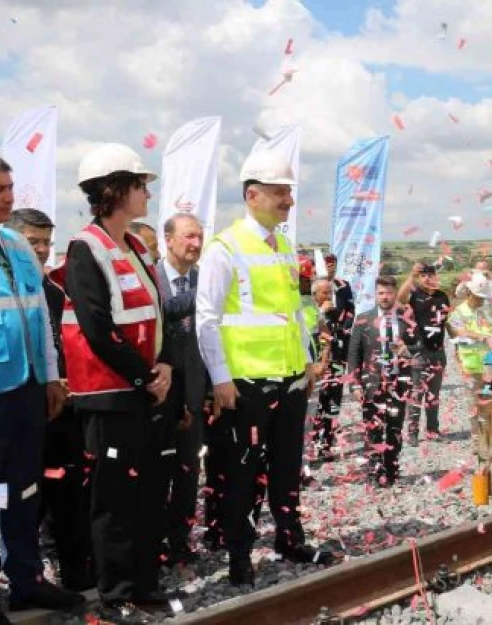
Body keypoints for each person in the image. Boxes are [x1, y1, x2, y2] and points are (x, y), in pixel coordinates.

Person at [195, 150, 334, 587]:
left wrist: (308, 362)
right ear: (252, 195)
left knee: (287, 468)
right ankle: (239, 555)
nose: (288, 201)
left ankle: (290, 539)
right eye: (280, 193)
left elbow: (294, 312)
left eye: (289, 193)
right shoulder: (226, 247)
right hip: (247, 382)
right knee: (241, 472)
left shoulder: (284, 247)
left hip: (291, 377)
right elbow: (207, 317)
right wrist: (220, 377)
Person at [59, 144, 176, 622]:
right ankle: (116, 595)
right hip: (112, 395)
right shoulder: (85, 248)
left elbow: (156, 315)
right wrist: (145, 374)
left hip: (145, 389)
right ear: (114, 190)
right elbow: (96, 326)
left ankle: (145, 585)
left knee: (148, 493)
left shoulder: (137, 246)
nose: (147, 191)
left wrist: (164, 364)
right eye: (139, 184)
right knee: (114, 501)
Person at [0, 159, 85, 620]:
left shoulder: (14, 244)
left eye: (9, 187)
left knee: (23, 489)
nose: (9, 197)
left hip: (26, 386)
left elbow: (39, 318)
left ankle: (26, 580)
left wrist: (51, 376)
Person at [7, 208, 94, 591]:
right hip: (14, 407)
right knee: (21, 497)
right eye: (33, 240)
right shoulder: (9, 287)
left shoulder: (56, 291)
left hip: (60, 408)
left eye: (46, 242)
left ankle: (73, 572)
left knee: (67, 494)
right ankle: (25, 576)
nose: (40, 249)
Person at [154, 214, 212, 566]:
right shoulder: (149, 279)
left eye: (200, 237)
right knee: (155, 474)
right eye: (189, 236)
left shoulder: (205, 280)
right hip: (155, 398)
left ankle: (180, 540)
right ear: (169, 240)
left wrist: (204, 394)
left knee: (188, 474)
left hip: (193, 395)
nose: (195, 244)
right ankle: (152, 539)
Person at [346, 275, 417, 485]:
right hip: (372, 384)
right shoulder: (363, 319)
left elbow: (421, 345)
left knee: (394, 429)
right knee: (373, 429)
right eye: (381, 293)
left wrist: (408, 350)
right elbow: (353, 355)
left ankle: (392, 470)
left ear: (396, 293)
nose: (385, 297)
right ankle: (374, 472)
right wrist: (354, 384)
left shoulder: (406, 317)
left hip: (399, 382)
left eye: (389, 293)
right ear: (375, 294)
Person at [397, 262, 451, 446]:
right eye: (424, 276)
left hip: (438, 351)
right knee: (417, 393)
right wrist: (411, 276)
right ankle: (412, 432)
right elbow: (400, 297)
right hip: (420, 352)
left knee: (433, 394)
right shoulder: (414, 296)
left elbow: (445, 322)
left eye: (431, 275)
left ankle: (433, 430)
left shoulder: (443, 296)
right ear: (419, 279)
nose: (428, 279)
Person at [308, 277, 353, 459]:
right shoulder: (309, 313)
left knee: (332, 408)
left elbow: (346, 334)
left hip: (337, 367)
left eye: (331, 292)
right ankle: (310, 446)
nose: (328, 296)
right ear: (314, 295)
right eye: (324, 292)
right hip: (316, 370)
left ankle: (326, 444)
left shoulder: (337, 313)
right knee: (315, 408)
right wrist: (320, 312)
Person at [449, 273, 492, 402]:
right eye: (478, 297)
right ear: (469, 293)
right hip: (472, 366)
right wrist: (482, 337)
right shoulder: (459, 312)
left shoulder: (487, 309)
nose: (481, 300)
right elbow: (459, 332)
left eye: (483, 298)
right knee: (475, 401)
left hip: (491, 365)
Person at [323, 253, 355, 318]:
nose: (330, 268)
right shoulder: (315, 285)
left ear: (336, 266)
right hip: (322, 322)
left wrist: (348, 318)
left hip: (339, 325)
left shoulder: (345, 285)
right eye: (327, 265)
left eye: (332, 265)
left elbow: (350, 306)